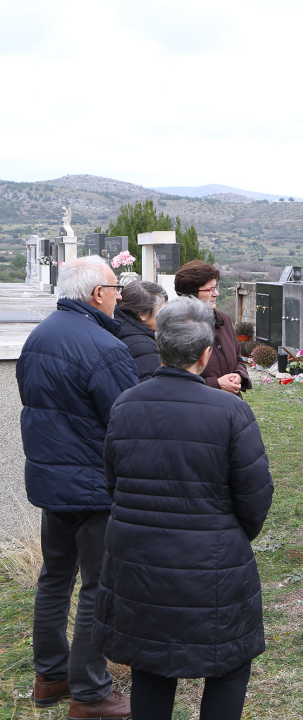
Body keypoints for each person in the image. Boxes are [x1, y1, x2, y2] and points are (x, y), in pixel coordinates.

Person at [94, 297, 274, 720]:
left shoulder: (126, 404)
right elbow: (254, 496)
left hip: (138, 557)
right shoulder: (231, 410)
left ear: (161, 346)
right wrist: (227, 535)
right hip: (212, 561)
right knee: (227, 664)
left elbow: (114, 483)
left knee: (151, 665)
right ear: (207, 352)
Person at [16, 256, 137, 718]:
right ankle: (90, 692)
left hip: (50, 477)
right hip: (92, 483)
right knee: (96, 586)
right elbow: (125, 418)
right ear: (95, 295)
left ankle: (50, 676)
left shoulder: (40, 336)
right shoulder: (104, 347)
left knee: (54, 578)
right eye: (114, 287)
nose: (119, 295)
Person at [174, 260, 250, 394]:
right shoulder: (177, 326)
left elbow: (238, 359)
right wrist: (216, 384)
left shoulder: (224, 319)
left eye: (216, 288)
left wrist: (238, 376)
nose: (216, 294)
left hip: (230, 404)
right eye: (210, 289)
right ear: (191, 295)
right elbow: (175, 379)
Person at [113, 280, 168, 382]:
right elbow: (150, 387)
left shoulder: (111, 326)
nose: (165, 317)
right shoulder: (144, 346)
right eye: (162, 311)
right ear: (143, 313)